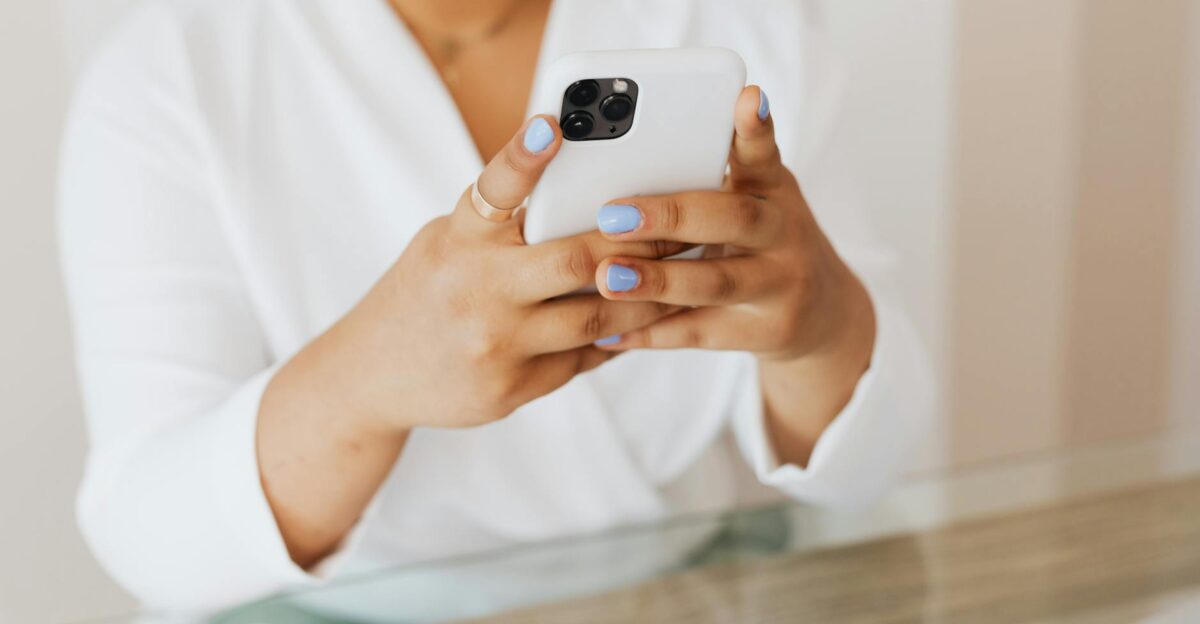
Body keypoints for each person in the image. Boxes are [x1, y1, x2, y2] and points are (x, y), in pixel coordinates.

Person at [58, 0, 933, 612]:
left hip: (683, 599)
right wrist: (364, 381)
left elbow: (870, 466)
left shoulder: (738, 34)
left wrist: (819, 331)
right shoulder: (172, 72)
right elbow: (149, 533)